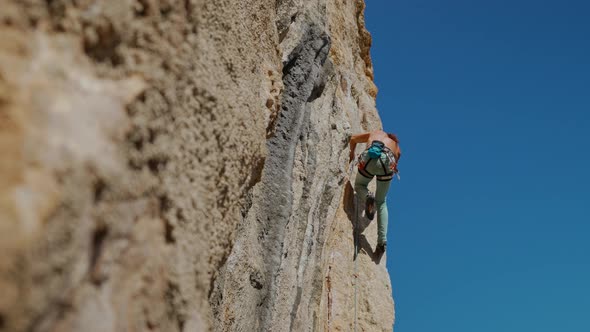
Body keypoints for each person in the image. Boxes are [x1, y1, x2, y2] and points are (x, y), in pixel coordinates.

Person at [349, 130, 401, 254]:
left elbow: (353, 138)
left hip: (369, 158)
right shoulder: (395, 146)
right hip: (387, 161)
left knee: (360, 185)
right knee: (381, 202)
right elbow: (397, 159)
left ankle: (367, 196)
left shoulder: (376, 133)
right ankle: (382, 241)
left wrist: (352, 154)